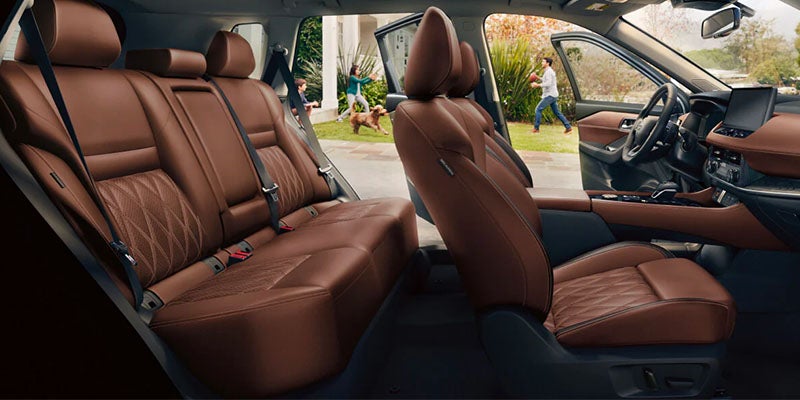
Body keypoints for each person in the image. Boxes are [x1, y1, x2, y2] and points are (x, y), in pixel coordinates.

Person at [530, 57, 572, 135]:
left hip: (550, 95)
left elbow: (548, 83)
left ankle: (536, 128)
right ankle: (568, 127)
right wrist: (538, 78)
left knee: (538, 109)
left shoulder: (549, 72)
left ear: (547, 63)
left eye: (543, 62)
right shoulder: (548, 71)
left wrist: (537, 85)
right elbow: (547, 80)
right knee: (557, 112)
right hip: (553, 94)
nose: (542, 63)